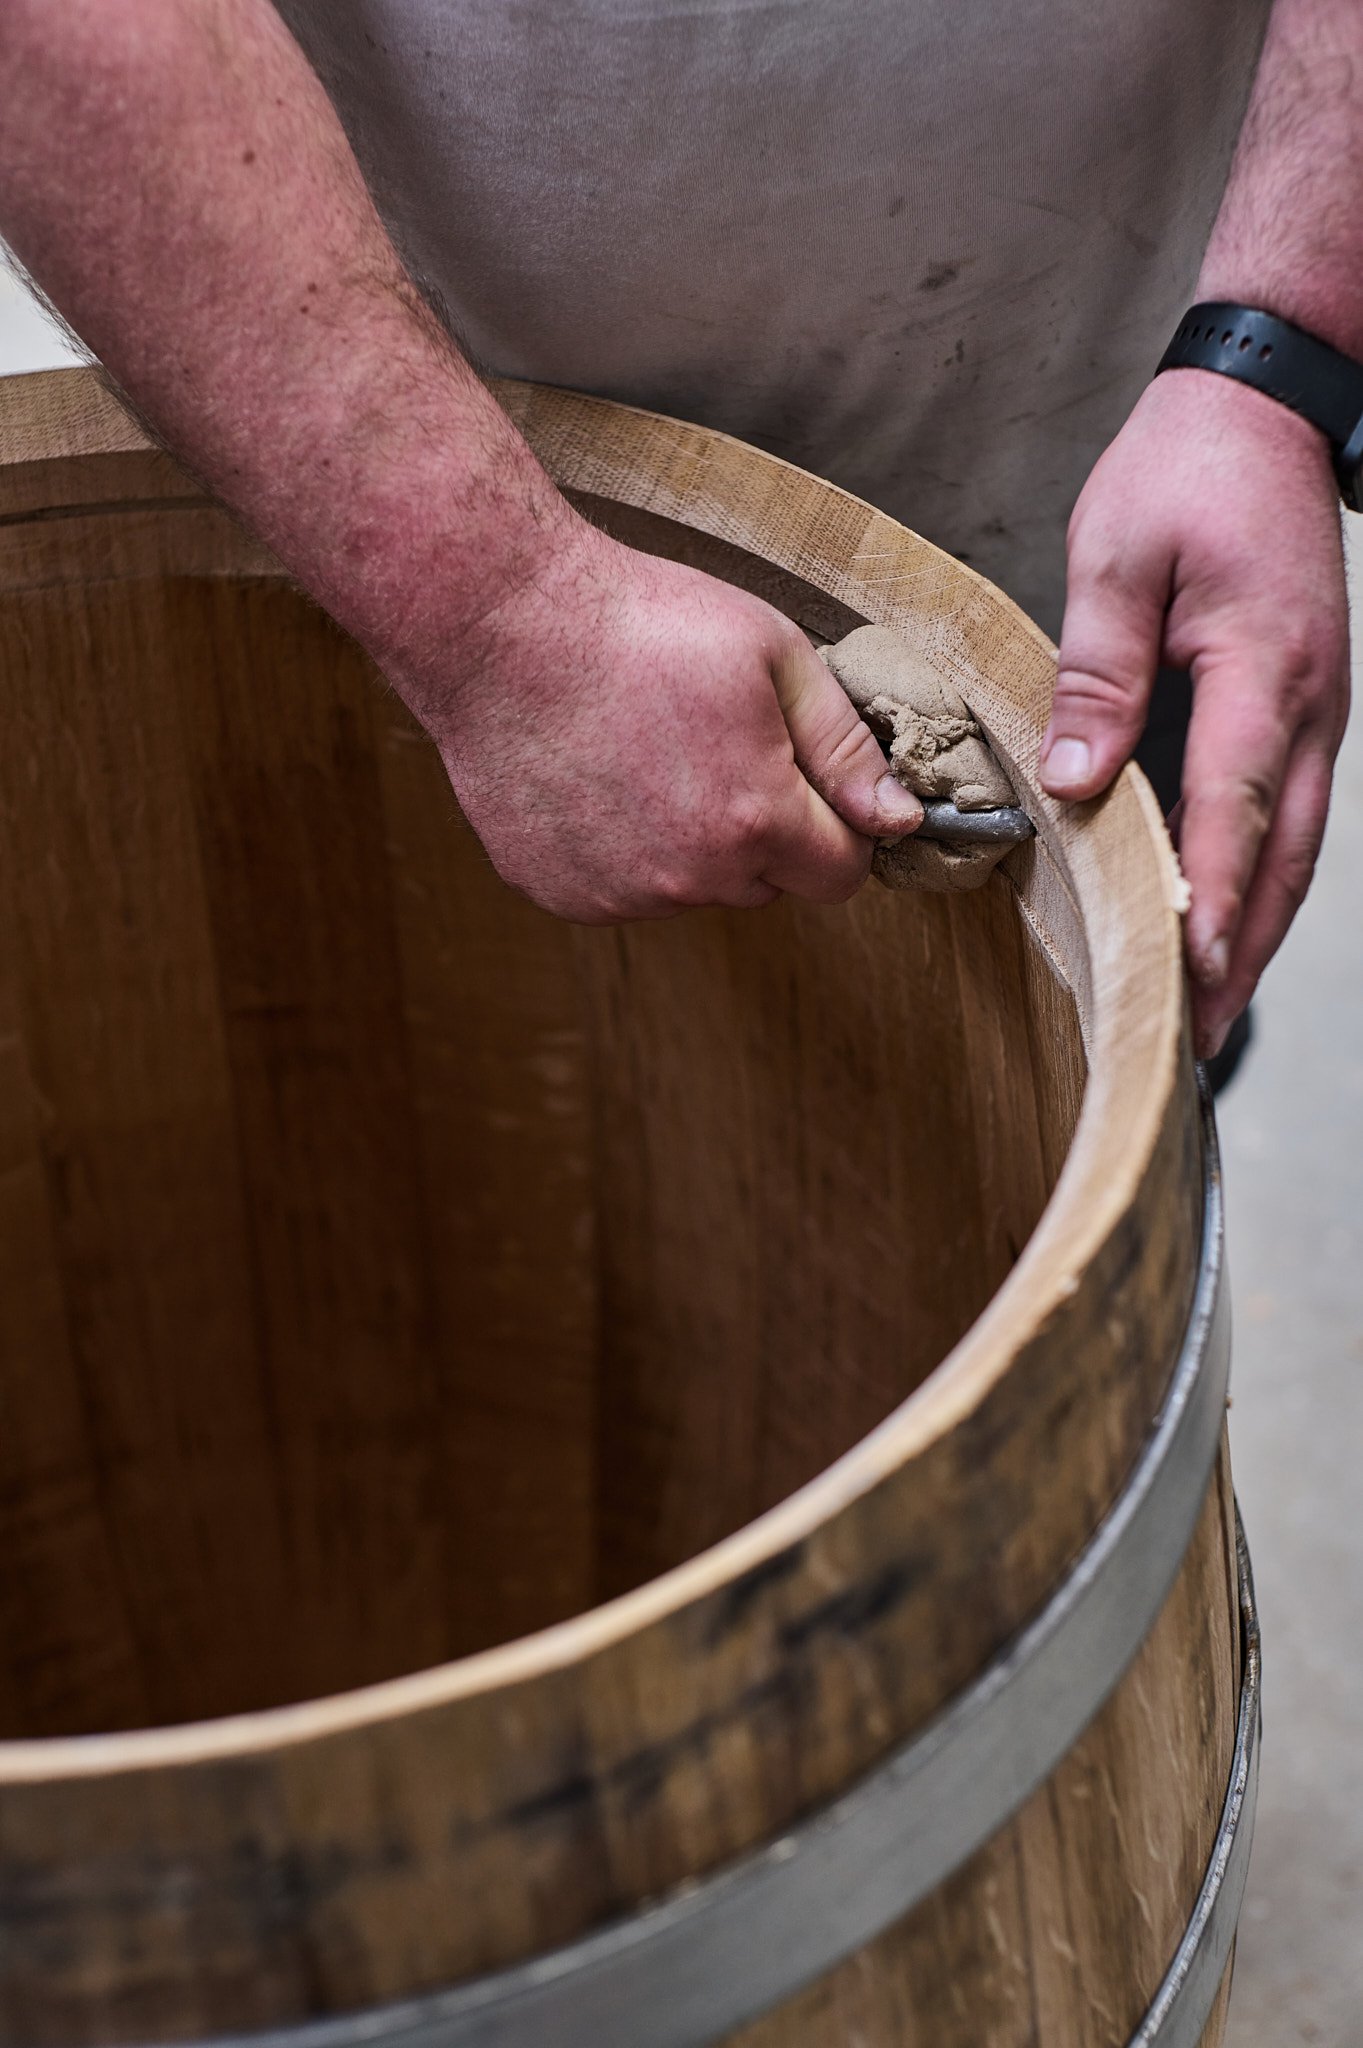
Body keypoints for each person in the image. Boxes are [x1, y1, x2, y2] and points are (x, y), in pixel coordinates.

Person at [0, 0, 1355, 1063]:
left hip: (1139, 438)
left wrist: (1286, 342)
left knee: (1156, 1027)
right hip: (376, 474)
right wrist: (488, 609)